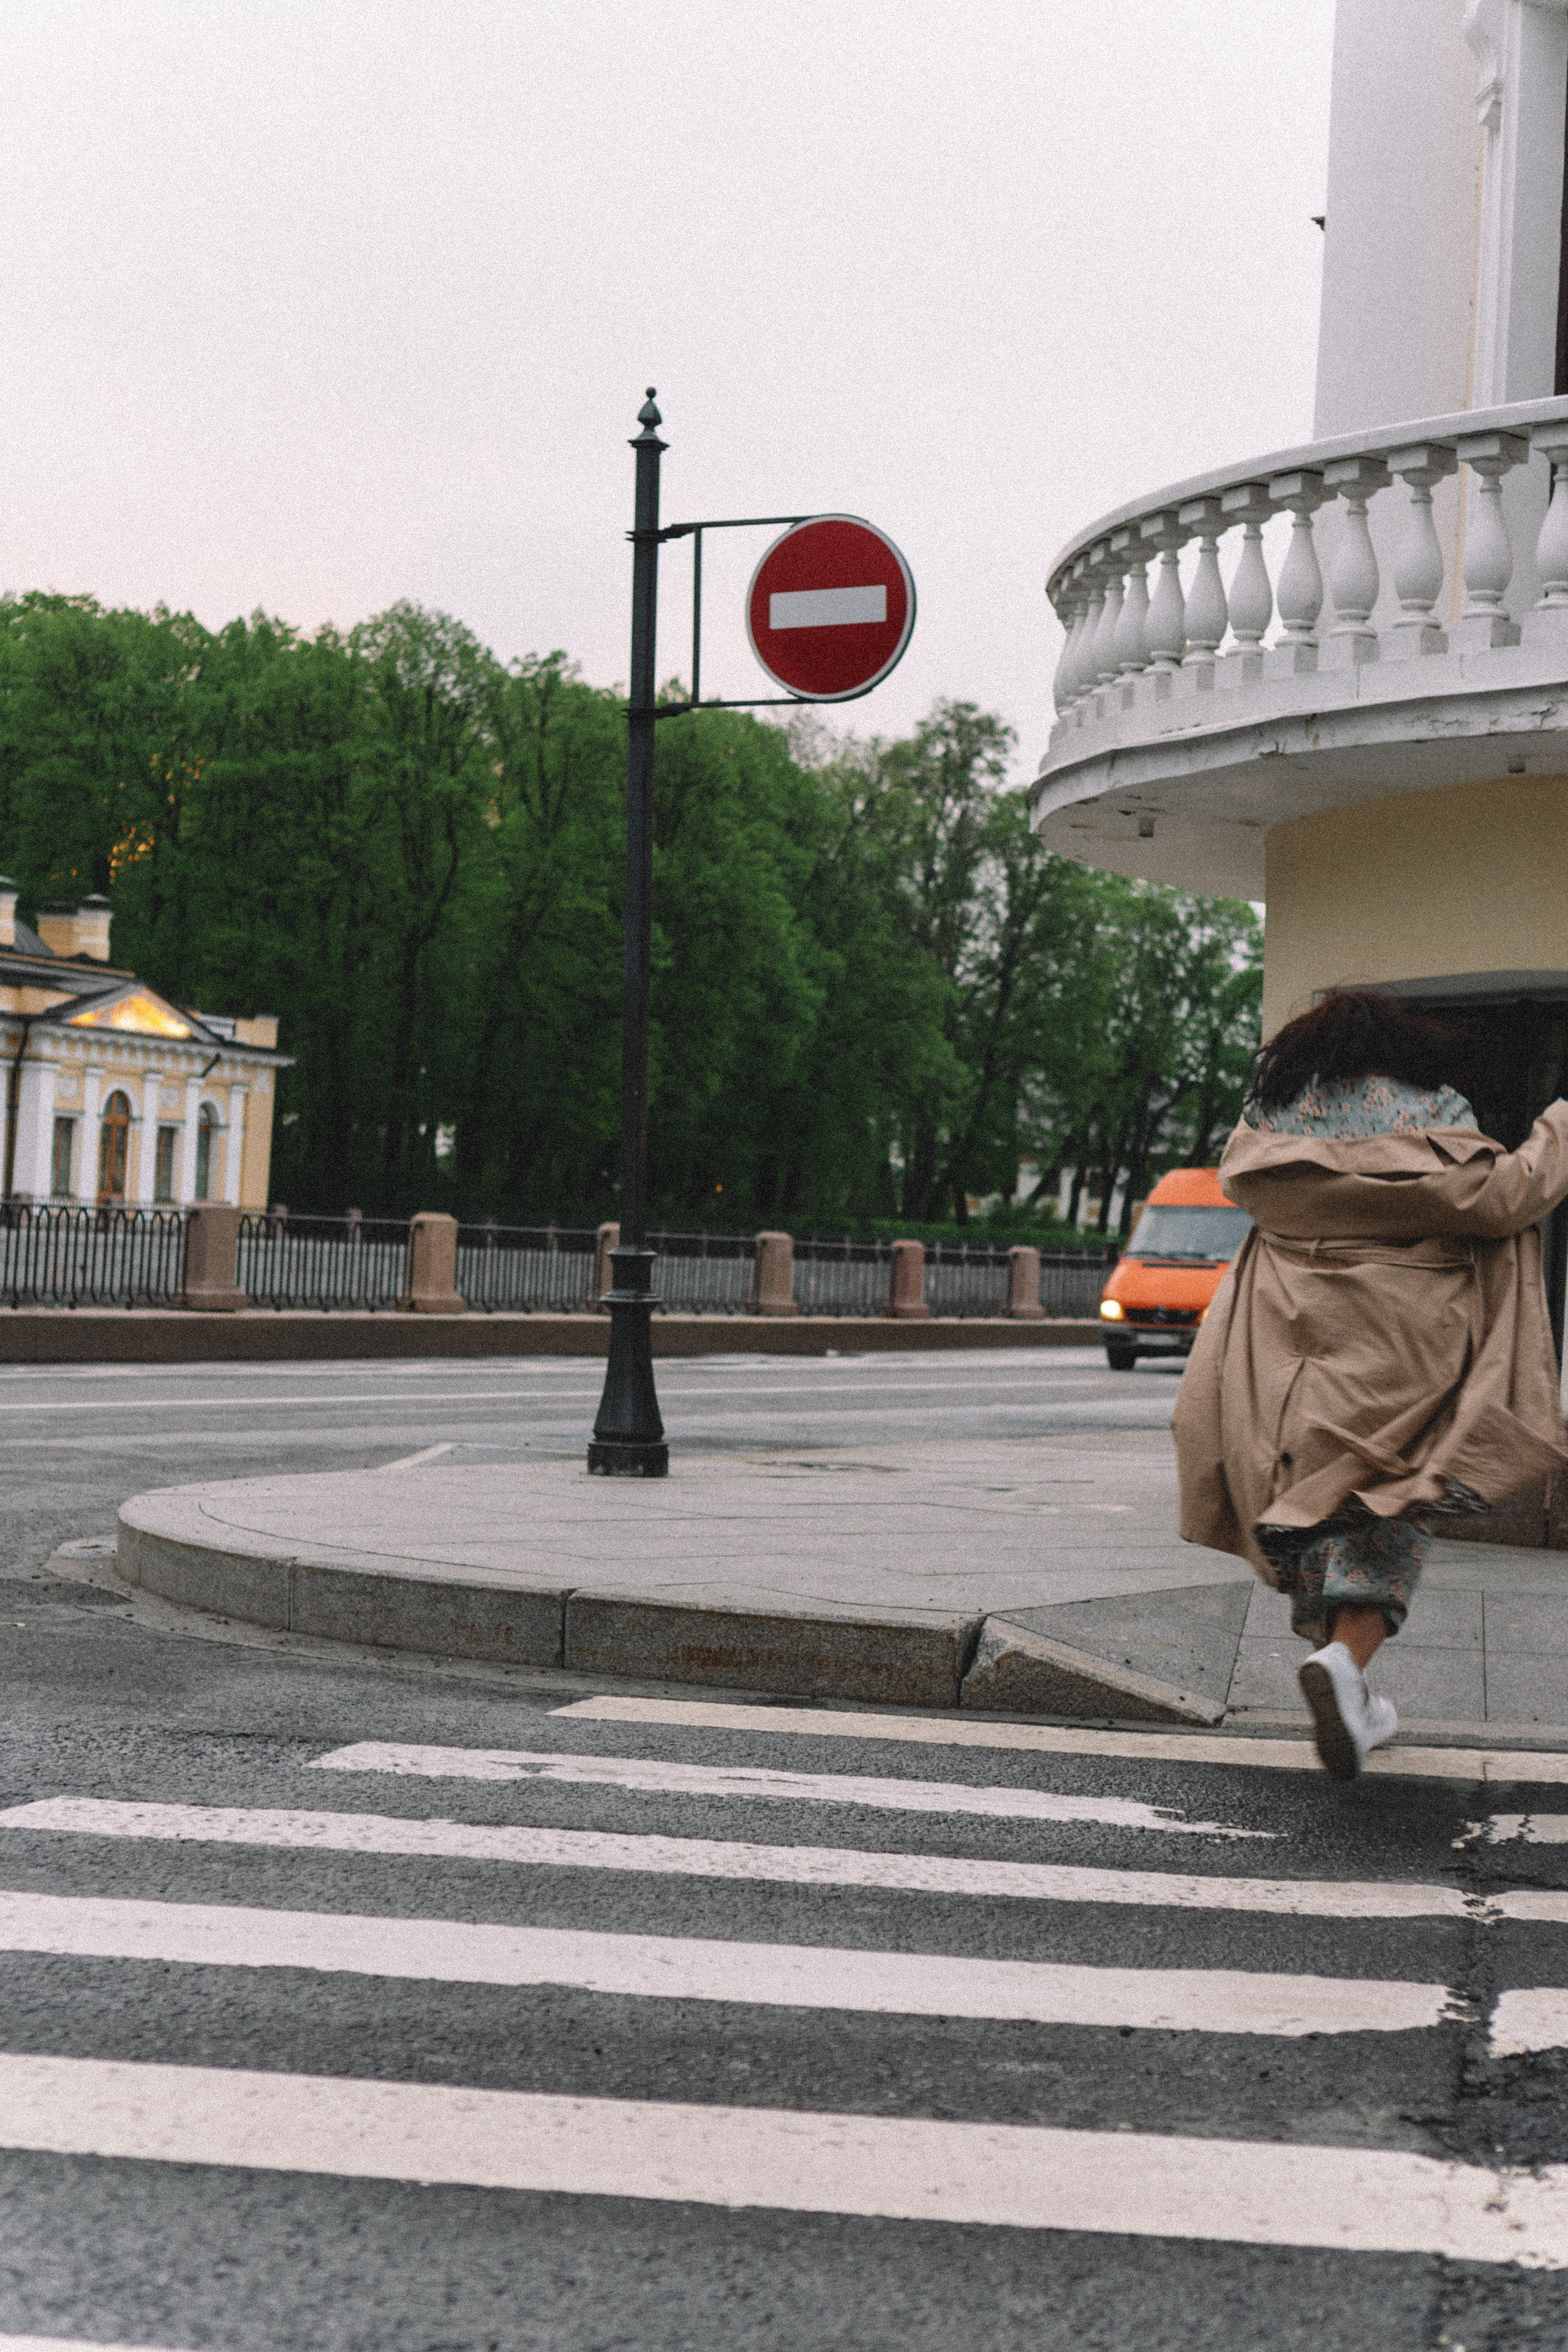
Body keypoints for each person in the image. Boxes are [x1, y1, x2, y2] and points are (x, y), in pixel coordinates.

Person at [1174, 988, 1568, 1779]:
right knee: (1387, 1510)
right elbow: (1505, 1198)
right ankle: (1347, 1669)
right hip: (1401, 1347)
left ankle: (1345, 1686)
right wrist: (1559, 1125)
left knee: (1313, 1518)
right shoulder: (1430, 1113)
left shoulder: (1268, 1130)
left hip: (1286, 1350)